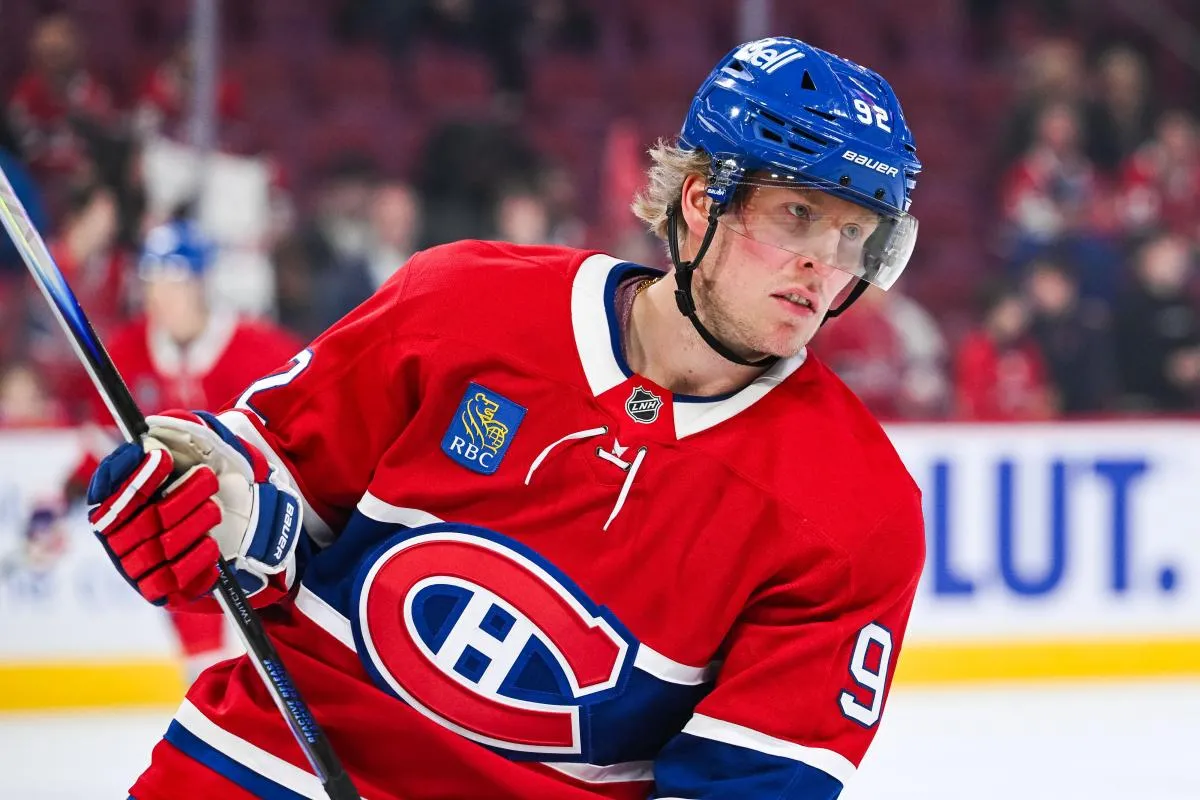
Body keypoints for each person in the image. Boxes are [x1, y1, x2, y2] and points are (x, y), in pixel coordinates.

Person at [85, 37, 926, 799]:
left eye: (856, 235)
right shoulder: (463, 302)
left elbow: (749, 785)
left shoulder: (858, 514)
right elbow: (270, 478)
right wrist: (197, 500)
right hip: (273, 764)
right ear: (704, 203)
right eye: (797, 215)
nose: (824, 264)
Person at [71, 219, 303, 678]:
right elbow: (103, 448)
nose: (161, 295)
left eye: (174, 281)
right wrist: (62, 496)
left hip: (264, 528)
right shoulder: (124, 353)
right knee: (204, 668)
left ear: (201, 283)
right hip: (185, 535)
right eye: (152, 281)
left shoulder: (263, 350)